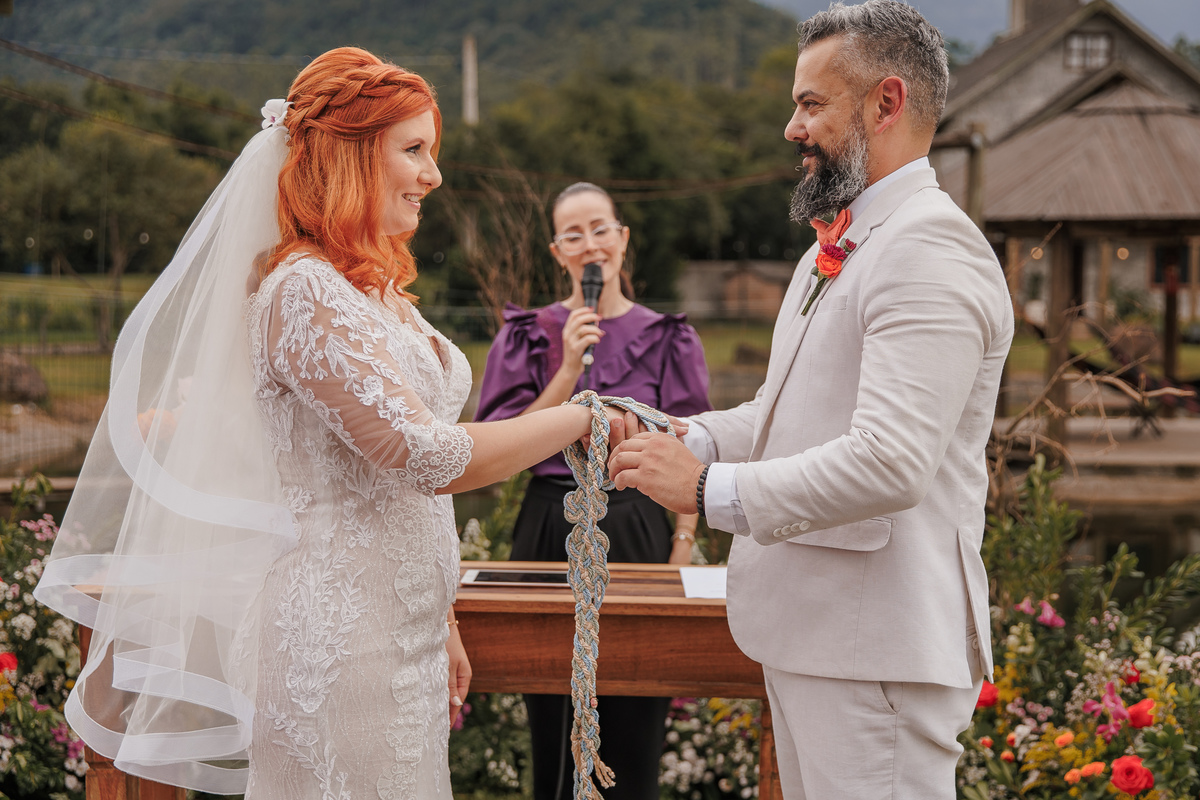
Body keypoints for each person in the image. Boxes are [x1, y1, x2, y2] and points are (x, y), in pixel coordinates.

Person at [34, 47, 626, 799]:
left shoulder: (374, 291)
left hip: (406, 634)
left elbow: (403, 492)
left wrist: (442, 618)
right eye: (413, 150)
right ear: (351, 156)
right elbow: (423, 455)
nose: (434, 175)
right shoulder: (303, 292)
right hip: (339, 644)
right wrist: (579, 417)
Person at [607, 2, 1014, 798]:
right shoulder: (839, 246)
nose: (791, 128)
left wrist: (704, 491)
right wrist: (683, 437)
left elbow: (890, 463)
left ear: (886, 102)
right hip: (823, 641)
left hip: (876, 651)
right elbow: (783, 412)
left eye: (811, 104)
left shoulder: (930, 248)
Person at [475, 181, 712, 800]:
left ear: (622, 239)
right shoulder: (527, 333)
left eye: (601, 229)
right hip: (548, 526)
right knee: (554, 716)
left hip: (637, 522)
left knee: (636, 712)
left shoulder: (668, 337)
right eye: (573, 235)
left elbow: (693, 447)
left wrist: (682, 545)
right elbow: (498, 448)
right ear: (558, 252)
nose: (590, 245)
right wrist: (566, 370)